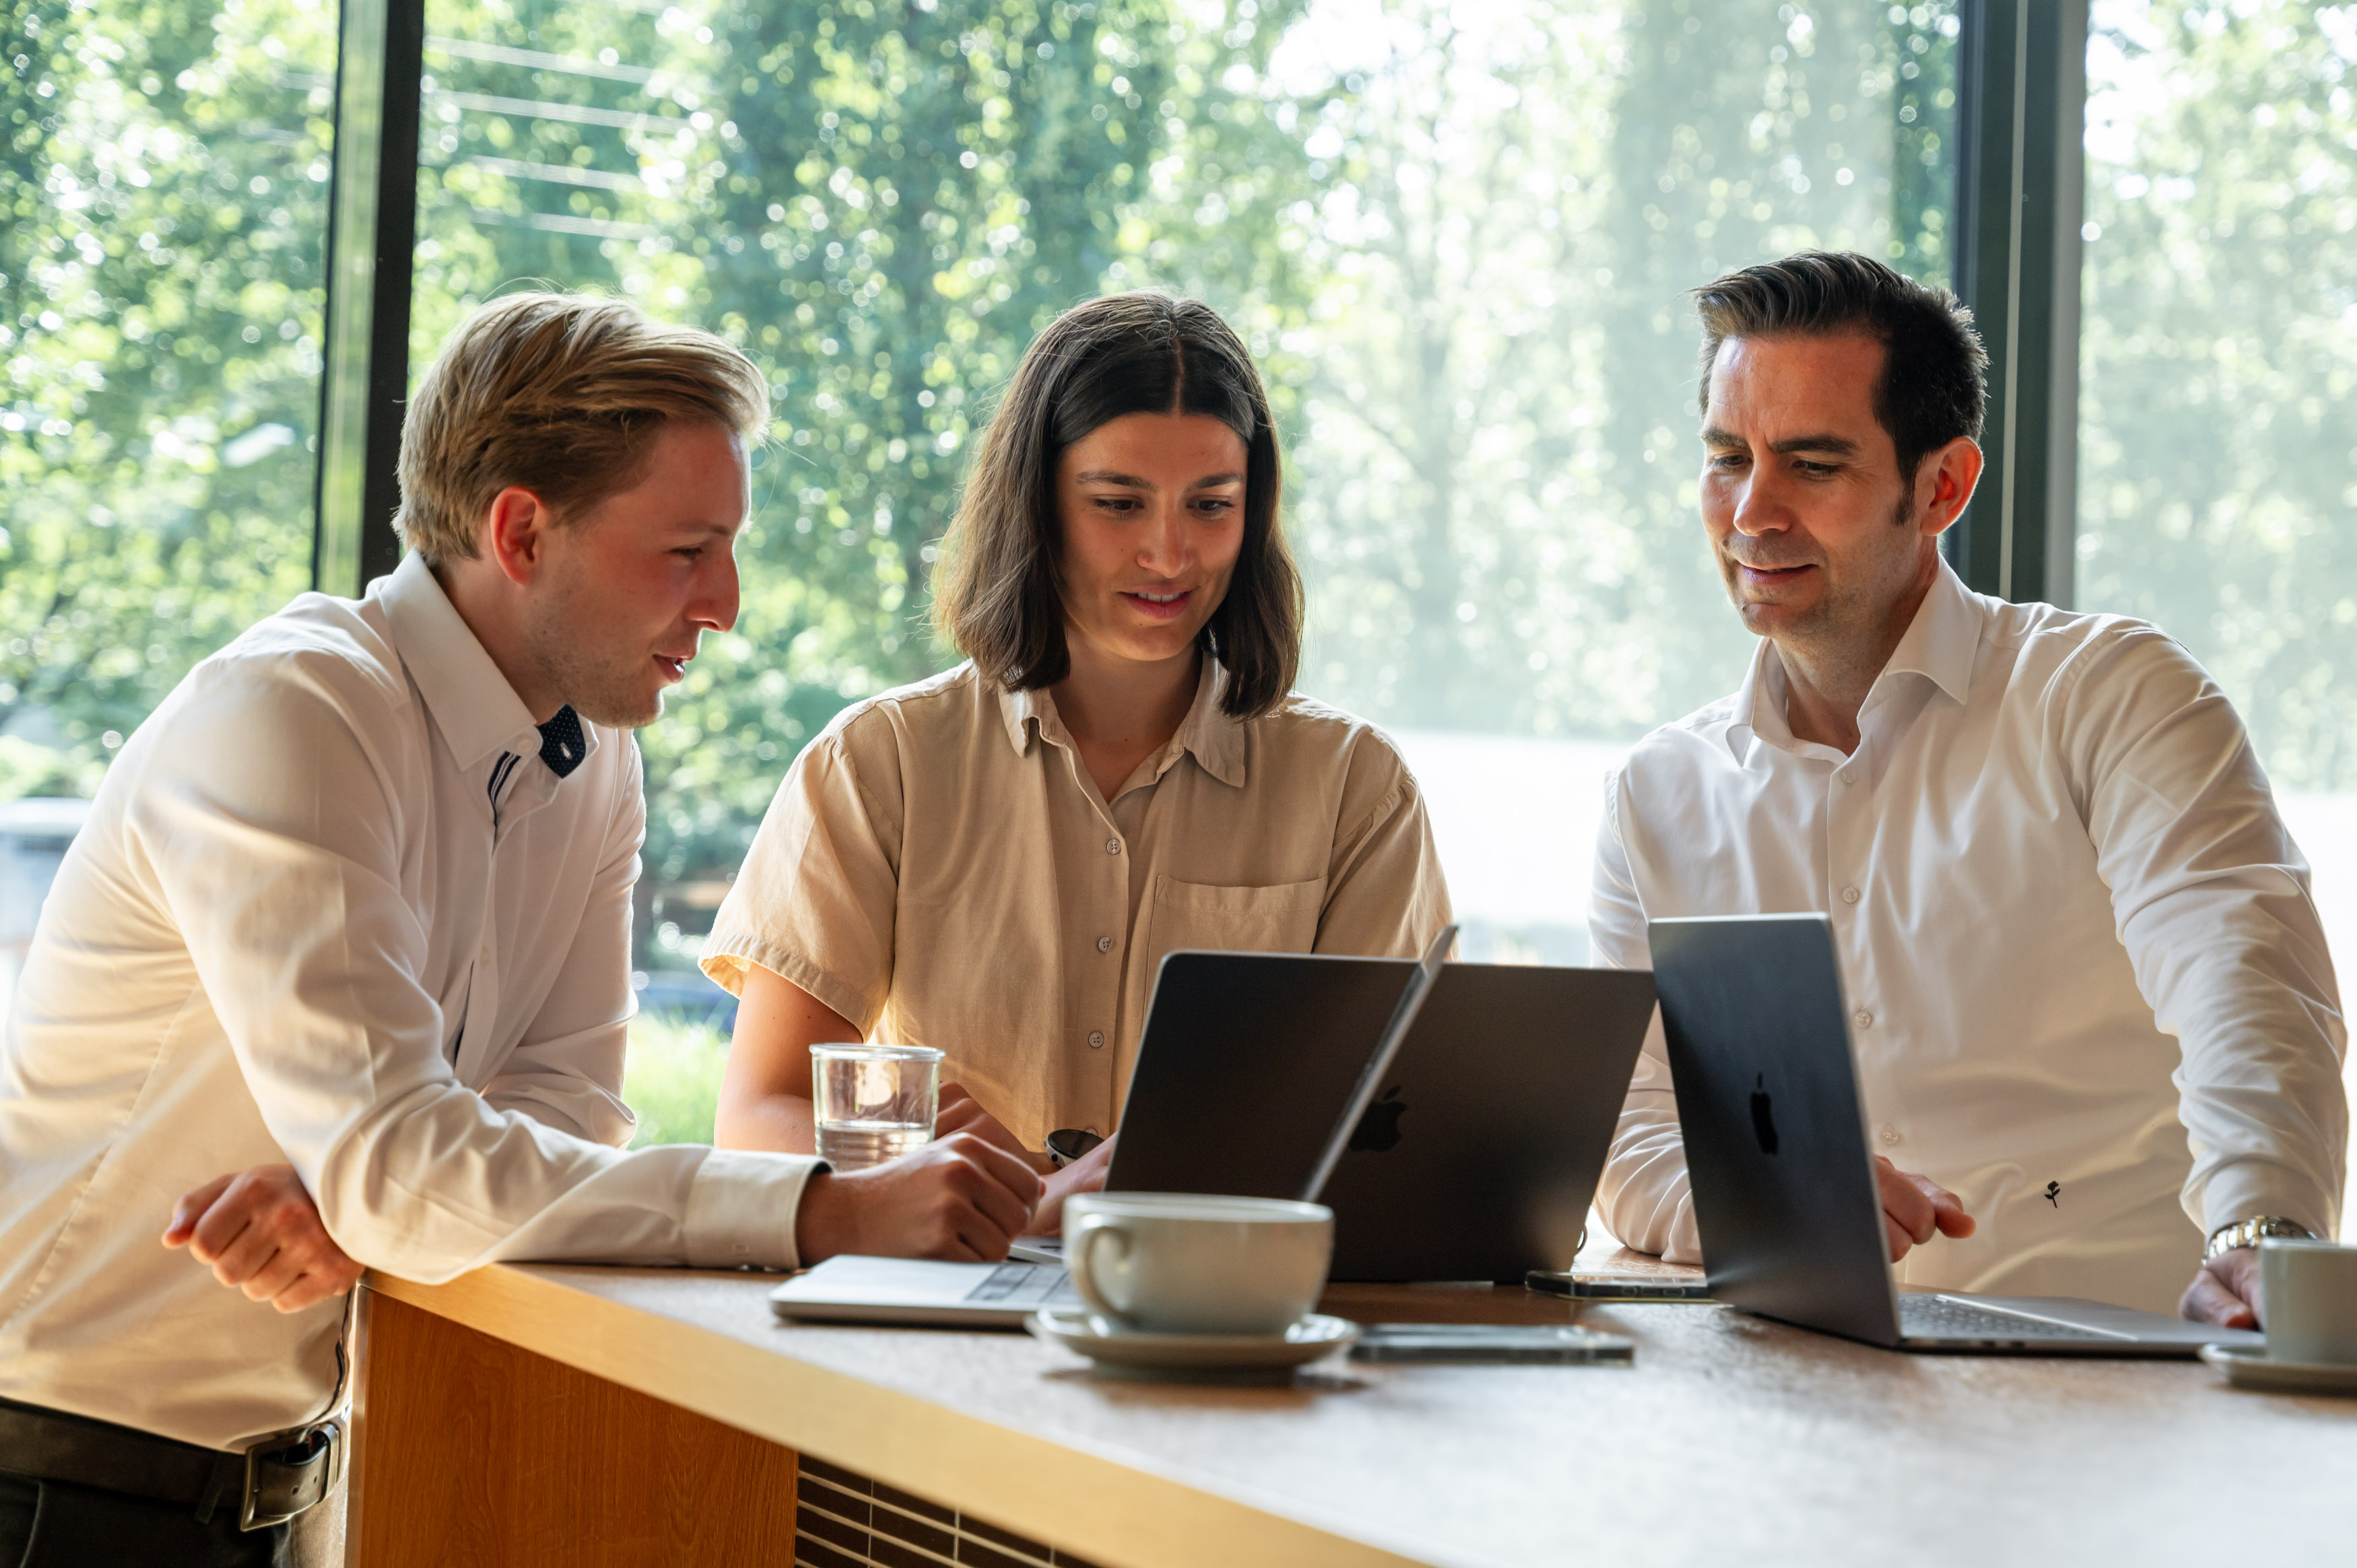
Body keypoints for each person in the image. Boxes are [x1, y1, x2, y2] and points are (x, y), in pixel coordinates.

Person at [0, 293, 1040, 1565]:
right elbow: (406, 1162)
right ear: (521, 530)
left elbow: (560, 1104)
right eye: (685, 549)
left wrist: (380, 1192)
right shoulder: (298, 713)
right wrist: (823, 1208)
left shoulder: (593, 758)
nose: (725, 604)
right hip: (52, 1483)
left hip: (267, 1490)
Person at [1592, 252, 2346, 1323]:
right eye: (1727, 458)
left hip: (2122, 1391)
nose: (1751, 512)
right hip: (1807, 1394)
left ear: (1941, 485)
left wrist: (2261, 1229)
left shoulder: (2110, 696)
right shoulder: (1654, 795)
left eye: (1811, 464)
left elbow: (2245, 977)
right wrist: (1785, 1199)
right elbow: (1633, 1134)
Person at [702, 291, 1451, 1222]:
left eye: (1211, 504)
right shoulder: (876, 763)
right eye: (1118, 503)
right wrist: (1010, 1199)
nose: (1169, 552)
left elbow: (1398, 1140)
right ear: (1038, 505)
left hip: (1225, 1314)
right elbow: (759, 1112)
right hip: (946, 1313)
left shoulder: (1356, 790)